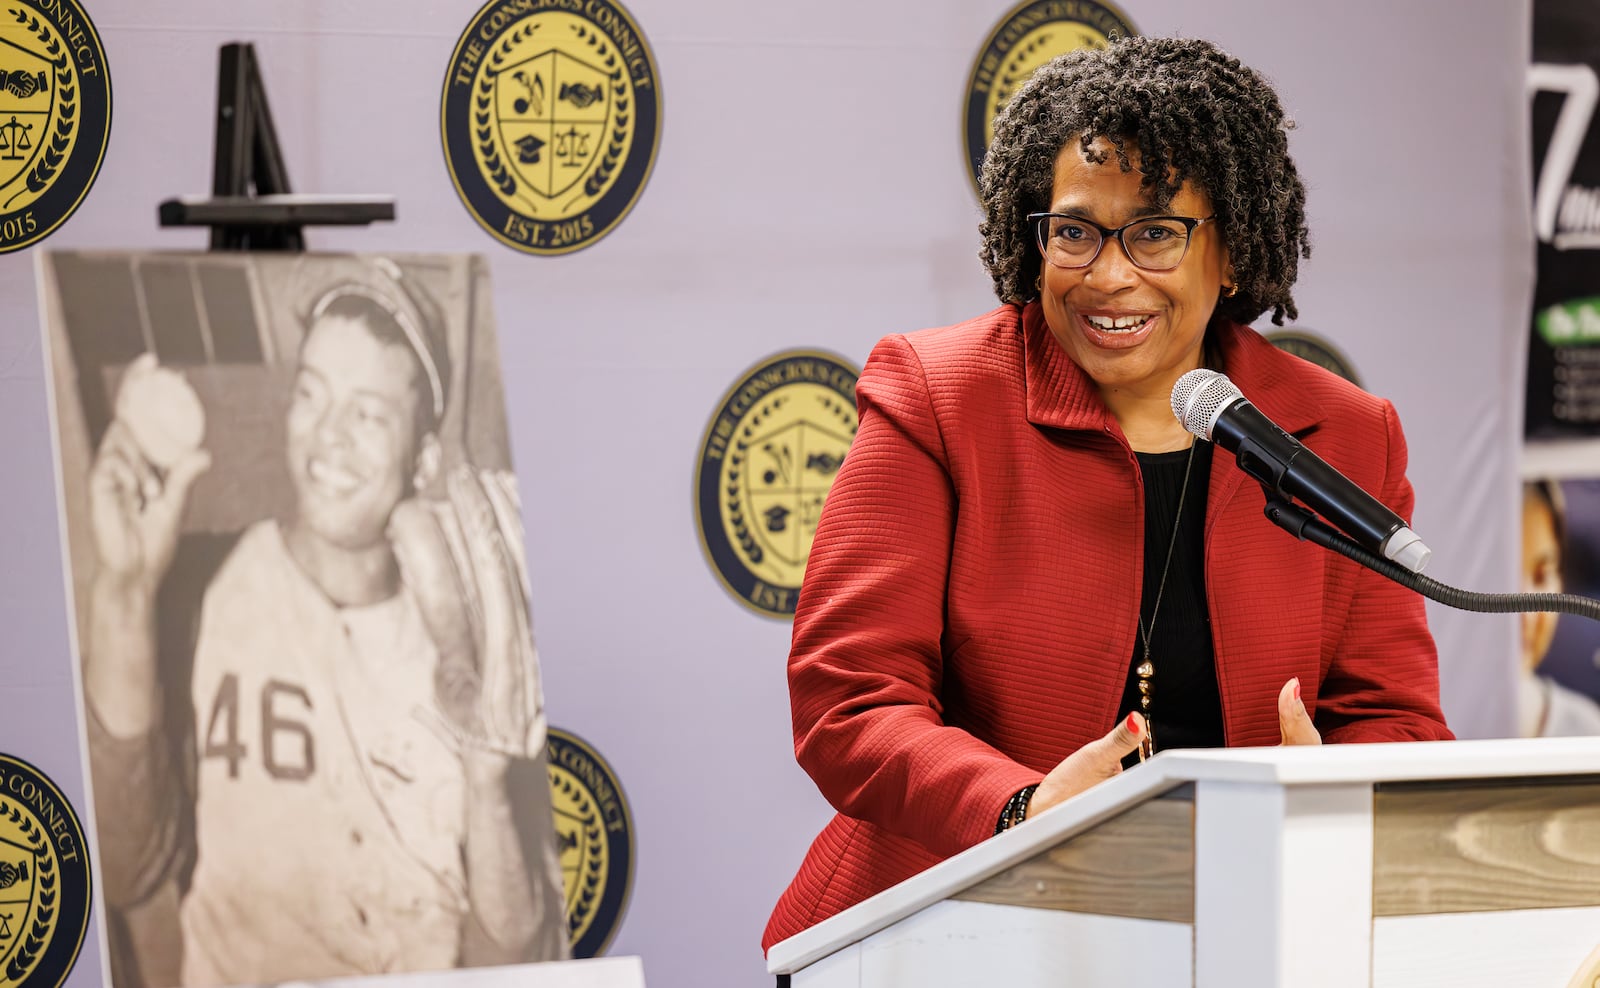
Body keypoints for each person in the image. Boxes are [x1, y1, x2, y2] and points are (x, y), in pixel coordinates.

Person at [762, 37, 1454, 952]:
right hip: (946, 931)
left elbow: (1394, 718)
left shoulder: (1343, 433)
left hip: (1232, 933)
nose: (1110, 274)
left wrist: (1327, 795)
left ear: (1234, 252)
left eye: (1157, 232)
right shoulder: (939, 397)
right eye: (1077, 231)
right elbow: (851, 700)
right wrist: (1021, 809)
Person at [82, 260, 570, 986]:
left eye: (369, 414)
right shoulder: (200, 592)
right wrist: (125, 593)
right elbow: (122, 870)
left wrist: (487, 779)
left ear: (423, 459)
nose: (328, 438)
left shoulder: (481, 644)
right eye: (312, 396)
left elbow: (514, 960)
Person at [1518, 479, 1600, 736]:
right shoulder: (1412, 726)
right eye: (1501, 576)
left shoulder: (1586, 732)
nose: (1526, 617)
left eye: (1541, 576)